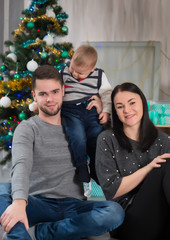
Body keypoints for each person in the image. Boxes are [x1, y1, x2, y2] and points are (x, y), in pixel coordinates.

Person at [0, 65, 124, 240]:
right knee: (2, 190)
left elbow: (116, 129)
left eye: (54, 92)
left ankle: (44, 233)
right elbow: (21, 164)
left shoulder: (79, 125)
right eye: (43, 94)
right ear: (34, 96)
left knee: (114, 212)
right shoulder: (27, 128)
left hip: (74, 206)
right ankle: (21, 237)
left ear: (63, 91)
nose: (50, 99)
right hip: (36, 204)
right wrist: (20, 202)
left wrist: (104, 106)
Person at [95, 82, 170, 240]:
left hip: (162, 214)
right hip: (128, 217)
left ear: (142, 103)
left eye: (132, 103)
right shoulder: (107, 139)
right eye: (120, 106)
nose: (127, 110)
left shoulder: (163, 140)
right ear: (115, 111)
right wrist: (149, 168)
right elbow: (111, 190)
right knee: (166, 164)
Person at [61, 45, 112, 183]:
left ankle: (96, 169)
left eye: (80, 73)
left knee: (97, 138)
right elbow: (53, 89)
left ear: (92, 69)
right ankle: (81, 166)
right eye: (73, 69)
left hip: (90, 111)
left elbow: (107, 94)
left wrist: (106, 111)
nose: (75, 75)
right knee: (77, 137)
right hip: (70, 111)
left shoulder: (99, 75)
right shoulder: (64, 72)